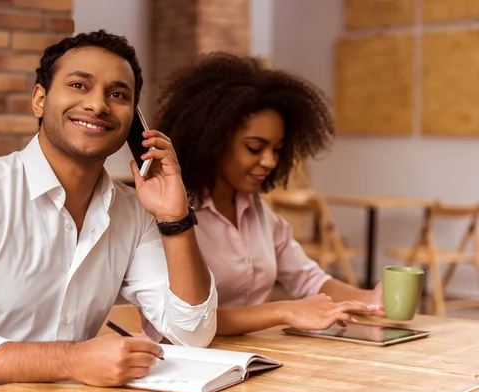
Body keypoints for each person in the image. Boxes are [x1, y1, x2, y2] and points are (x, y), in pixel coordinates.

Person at [0, 30, 217, 392]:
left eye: (117, 95)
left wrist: (175, 219)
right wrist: (72, 360)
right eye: (79, 85)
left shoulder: (135, 212)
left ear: (133, 121)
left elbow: (192, 331)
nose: (98, 105)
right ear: (40, 99)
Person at [155, 52, 383, 336]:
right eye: (254, 147)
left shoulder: (259, 213)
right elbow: (186, 323)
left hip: (251, 360)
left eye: (277, 150)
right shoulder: (172, 214)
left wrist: (372, 300)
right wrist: (283, 311)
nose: (270, 162)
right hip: (183, 369)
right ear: (212, 140)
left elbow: (308, 278)